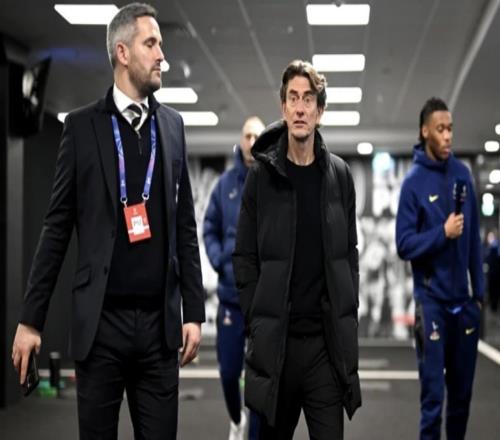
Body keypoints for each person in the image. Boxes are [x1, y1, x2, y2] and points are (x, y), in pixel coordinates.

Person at [11, 3, 205, 439]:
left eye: (161, 44)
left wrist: (193, 311)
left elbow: (185, 226)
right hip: (101, 327)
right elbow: (56, 227)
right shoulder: (82, 128)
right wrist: (31, 319)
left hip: (158, 329)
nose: (162, 55)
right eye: (151, 44)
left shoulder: (172, 127)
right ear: (122, 52)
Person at [232, 60, 361, 439]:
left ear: (320, 111)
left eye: (308, 99)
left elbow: (348, 255)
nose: (300, 107)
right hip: (279, 349)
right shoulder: (261, 177)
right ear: (283, 107)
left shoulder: (339, 176)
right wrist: (257, 318)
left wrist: (347, 309)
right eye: (293, 98)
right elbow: (244, 256)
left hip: (324, 350)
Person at [396, 97, 484, 440]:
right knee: (433, 401)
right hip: (431, 303)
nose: (447, 136)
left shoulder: (463, 174)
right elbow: (404, 245)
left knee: (461, 401)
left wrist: (479, 297)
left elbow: (473, 240)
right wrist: (442, 233)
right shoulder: (413, 183)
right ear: (425, 132)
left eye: (450, 129)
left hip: (464, 305)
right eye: (440, 129)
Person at [203, 116, 265, 440]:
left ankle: (253, 433)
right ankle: (236, 419)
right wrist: (218, 261)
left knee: (259, 377)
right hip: (230, 297)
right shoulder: (224, 185)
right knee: (229, 372)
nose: (252, 142)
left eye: (257, 136)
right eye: (247, 136)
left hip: (262, 302)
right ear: (241, 140)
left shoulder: (273, 181)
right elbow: (209, 228)